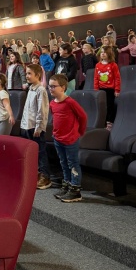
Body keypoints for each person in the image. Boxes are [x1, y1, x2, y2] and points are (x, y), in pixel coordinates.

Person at [49, 74, 87, 203]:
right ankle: (67, 185)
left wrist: (80, 131)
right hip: (58, 138)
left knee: (73, 164)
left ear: (63, 87)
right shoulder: (52, 103)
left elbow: (83, 116)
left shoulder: (70, 102)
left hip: (70, 139)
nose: (51, 89)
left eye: (54, 86)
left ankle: (75, 190)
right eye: (49, 86)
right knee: (63, 163)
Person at [21, 64, 50, 189]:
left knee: (40, 151)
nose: (27, 76)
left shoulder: (41, 90)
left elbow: (42, 111)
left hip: (35, 127)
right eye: (26, 73)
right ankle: (35, 173)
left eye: (29, 74)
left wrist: (39, 127)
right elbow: (27, 109)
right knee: (32, 152)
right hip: (28, 125)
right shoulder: (31, 88)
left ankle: (45, 176)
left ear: (37, 75)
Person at [94, 47, 120, 129]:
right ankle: (103, 121)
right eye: (101, 52)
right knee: (102, 106)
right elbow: (96, 78)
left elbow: (117, 78)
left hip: (110, 89)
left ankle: (110, 122)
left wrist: (117, 90)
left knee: (109, 105)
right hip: (100, 89)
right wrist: (96, 89)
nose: (102, 54)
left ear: (109, 54)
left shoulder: (113, 65)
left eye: (105, 52)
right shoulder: (98, 65)